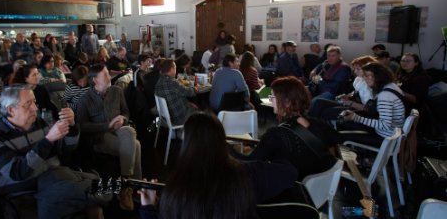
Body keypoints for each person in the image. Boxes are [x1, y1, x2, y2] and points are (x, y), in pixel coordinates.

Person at [138, 112, 298, 219]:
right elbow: (290, 172)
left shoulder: (175, 192)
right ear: (222, 141)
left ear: (186, 145)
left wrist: (148, 208)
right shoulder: (248, 173)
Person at [0, 84, 105, 219]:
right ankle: (110, 191)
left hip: (55, 180)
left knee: (79, 195)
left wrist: (71, 125)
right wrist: (47, 141)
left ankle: (101, 188)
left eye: (34, 102)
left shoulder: (40, 123)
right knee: (82, 193)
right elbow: (18, 173)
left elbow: (68, 148)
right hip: (24, 193)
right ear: (11, 110)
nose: (35, 108)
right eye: (28, 104)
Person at [243, 76, 340, 180]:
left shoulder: (276, 134)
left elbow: (249, 163)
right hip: (317, 189)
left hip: (291, 189)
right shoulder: (320, 124)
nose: (270, 100)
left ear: (287, 102)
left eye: (273, 96)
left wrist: (227, 151)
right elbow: (335, 143)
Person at [74, 64, 142, 179]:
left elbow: (125, 111)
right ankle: (133, 182)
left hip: (119, 127)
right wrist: (107, 125)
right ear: (95, 80)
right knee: (136, 145)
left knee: (129, 131)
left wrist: (122, 119)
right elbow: (82, 126)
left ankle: (128, 180)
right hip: (100, 135)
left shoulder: (117, 91)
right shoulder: (84, 99)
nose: (109, 77)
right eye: (105, 75)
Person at [339, 62, 406, 146]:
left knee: (339, 135)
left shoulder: (385, 96)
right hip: (391, 134)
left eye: (366, 76)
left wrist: (356, 117)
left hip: (385, 138)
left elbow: (385, 125)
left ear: (378, 76)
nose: (364, 78)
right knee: (344, 124)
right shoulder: (391, 85)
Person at [308, 55, 376, 120]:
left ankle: (311, 126)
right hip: (352, 103)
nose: (355, 72)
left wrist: (350, 103)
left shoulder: (372, 85)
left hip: (361, 111)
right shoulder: (359, 79)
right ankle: (308, 122)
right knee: (318, 101)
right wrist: (347, 96)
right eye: (354, 69)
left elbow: (369, 109)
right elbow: (356, 92)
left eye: (358, 69)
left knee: (325, 112)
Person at [155, 59, 197, 126]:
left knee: (191, 104)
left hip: (166, 117)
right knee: (199, 109)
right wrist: (195, 88)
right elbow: (190, 93)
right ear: (172, 69)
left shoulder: (159, 81)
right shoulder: (172, 82)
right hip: (179, 117)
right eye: (175, 68)